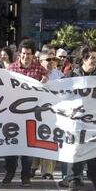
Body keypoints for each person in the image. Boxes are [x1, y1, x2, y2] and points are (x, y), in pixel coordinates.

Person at [3, 39, 48, 187]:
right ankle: (10, 172)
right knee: (11, 145)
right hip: (13, 114)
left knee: (28, 147)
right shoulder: (11, 69)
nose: (25, 56)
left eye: (28, 54)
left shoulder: (40, 70)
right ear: (19, 54)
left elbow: (48, 88)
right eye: (23, 53)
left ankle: (25, 176)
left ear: (33, 55)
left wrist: (45, 83)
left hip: (31, 114)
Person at [67, 47, 96, 191]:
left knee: (94, 149)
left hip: (95, 120)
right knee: (76, 149)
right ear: (84, 59)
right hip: (76, 119)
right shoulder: (72, 75)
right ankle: (73, 179)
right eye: (92, 58)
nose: (95, 61)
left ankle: (94, 176)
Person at [31, 52, 63, 180]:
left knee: (50, 139)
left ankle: (47, 171)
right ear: (40, 60)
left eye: (53, 59)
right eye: (48, 59)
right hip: (36, 111)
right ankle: (33, 165)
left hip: (54, 112)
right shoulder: (35, 73)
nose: (51, 62)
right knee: (37, 140)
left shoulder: (59, 75)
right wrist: (40, 83)